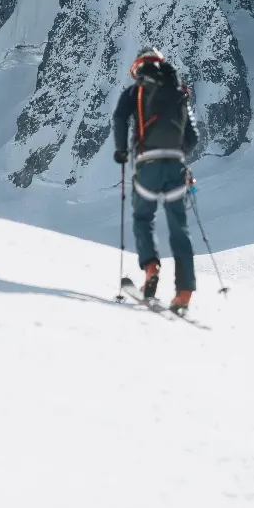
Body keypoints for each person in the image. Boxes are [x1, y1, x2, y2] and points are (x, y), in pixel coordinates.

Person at [112, 48, 199, 311]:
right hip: (175, 167)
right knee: (179, 229)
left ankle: (151, 267)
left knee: (143, 218)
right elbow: (192, 136)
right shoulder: (179, 93)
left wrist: (121, 150)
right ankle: (183, 293)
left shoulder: (135, 91)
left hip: (147, 165)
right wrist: (177, 155)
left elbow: (119, 118)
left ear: (139, 68)